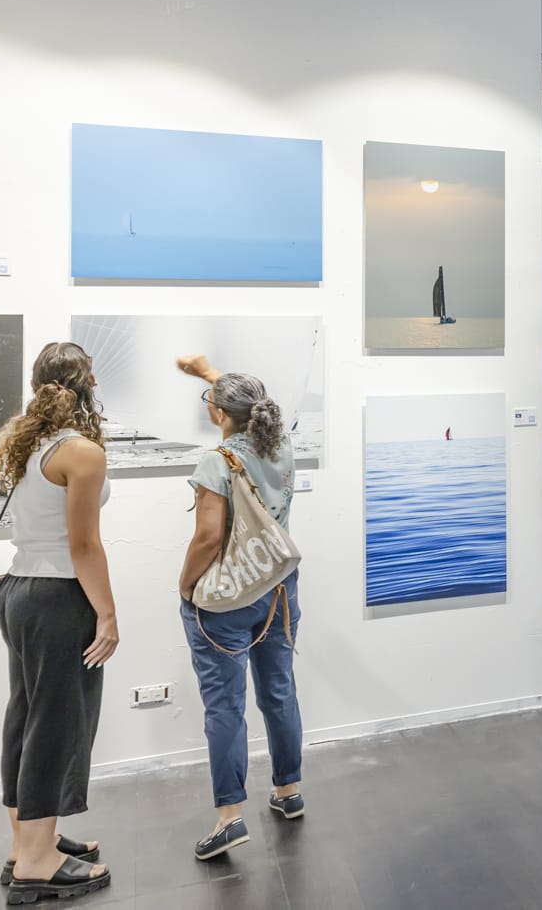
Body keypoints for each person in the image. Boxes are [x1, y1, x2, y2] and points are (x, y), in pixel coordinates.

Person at [0, 341, 116, 902]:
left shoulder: (25, 441)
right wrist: (107, 613)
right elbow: (84, 545)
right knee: (57, 722)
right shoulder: (81, 451)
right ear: (86, 381)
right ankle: (37, 864)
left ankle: (27, 843)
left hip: (17, 592)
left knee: (26, 714)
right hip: (60, 597)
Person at [176, 356, 306, 860]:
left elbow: (209, 537)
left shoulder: (216, 461)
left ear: (218, 414)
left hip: (228, 598)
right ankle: (288, 791)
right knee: (279, 690)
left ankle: (230, 818)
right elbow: (244, 401)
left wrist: (185, 586)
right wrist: (211, 376)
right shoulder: (282, 444)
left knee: (225, 705)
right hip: (279, 585)